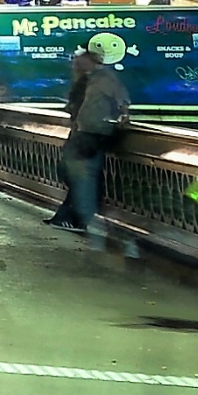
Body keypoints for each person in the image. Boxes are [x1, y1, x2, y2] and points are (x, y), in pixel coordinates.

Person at [59, 33, 133, 252]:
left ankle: (82, 218)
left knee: (83, 175)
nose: (75, 61)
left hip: (93, 134)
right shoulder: (90, 79)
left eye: (79, 58)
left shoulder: (103, 79)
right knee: (79, 174)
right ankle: (76, 216)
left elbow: (121, 100)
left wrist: (123, 114)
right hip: (87, 132)